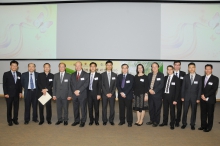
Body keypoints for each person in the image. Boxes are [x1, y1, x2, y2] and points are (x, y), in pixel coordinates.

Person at [198, 64, 219, 132]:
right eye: (206, 69)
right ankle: (203, 125)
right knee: (203, 113)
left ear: (212, 70)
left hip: (210, 99)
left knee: (210, 114)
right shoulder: (202, 78)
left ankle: (209, 127)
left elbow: (214, 89)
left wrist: (205, 96)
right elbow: (200, 88)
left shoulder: (215, 78)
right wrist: (202, 95)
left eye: (209, 69)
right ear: (204, 70)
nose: (207, 70)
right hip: (202, 98)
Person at [181, 62, 202, 130]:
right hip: (186, 97)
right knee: (185, 111)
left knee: (194, 111)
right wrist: (182, 96)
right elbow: (183, 87)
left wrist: (198, 98)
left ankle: (192, 124)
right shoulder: (186, 77)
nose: (191, 69)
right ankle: (184, 123)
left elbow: (200, 89)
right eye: (190, 67)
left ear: (195, 68)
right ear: (188, 69)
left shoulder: (199, 77)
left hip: (195, 98)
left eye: (193, 67)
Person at [159, 65, 180, 130]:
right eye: (168, 69)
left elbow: (178, 90)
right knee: (165, 110)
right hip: (165, 96)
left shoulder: (176, 79)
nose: (169, 71)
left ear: (173, 70)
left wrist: (175, 99)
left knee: (172, 111)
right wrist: (162, 97)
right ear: (167, 70)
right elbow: (163, 88)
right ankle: (165, 122)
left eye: (171, 69)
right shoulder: (165, 78)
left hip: (172, 97)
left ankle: (172, 123)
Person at [3, 60, 22, 126]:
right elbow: (4, 85)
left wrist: (20, 92)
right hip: (9, 94)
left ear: (17, 67)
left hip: (16, 94)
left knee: (16, 107)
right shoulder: (6, 74)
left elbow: (20, 84)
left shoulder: (19, 74)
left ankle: (15, 119)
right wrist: (5, 93)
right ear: (10, 66)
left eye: (15, 66)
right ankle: (9, 120)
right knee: (9, 107)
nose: (14, 67)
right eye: (13, 65)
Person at [71, 61, 89, 127]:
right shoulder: (72, 74)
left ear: (81, 66)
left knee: (83, 108)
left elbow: (86, 84)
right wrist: (75, 91)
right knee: (75, 108)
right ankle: (76, 120)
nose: (77, 67)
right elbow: (71, 84)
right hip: (74, 94)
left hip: (82, 94)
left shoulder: (86, 74)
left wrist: (79, 91)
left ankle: (83, 121)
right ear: (75, 67)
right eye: (76, 66)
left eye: (79, 65)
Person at [146, 62, 164, 127]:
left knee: (157, 109)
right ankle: (151, 120)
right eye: (153, 67)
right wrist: (149, 90)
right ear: (151, 68)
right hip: (150, 95)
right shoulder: (149, 74)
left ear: (158, 67)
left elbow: (161, 85)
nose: (154, 68)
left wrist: (154, 91)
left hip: (157, 95)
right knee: (151, 108)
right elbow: (147, 84)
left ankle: (156, 121)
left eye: (155, 66)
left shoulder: (161, 75)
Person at [101, 60, 117, 126]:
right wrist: (106, 93)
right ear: (106, 66)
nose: (109, 66)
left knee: (112, 108)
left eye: (110, 65)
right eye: (108, 65)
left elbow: (115, 85)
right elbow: (102, 85)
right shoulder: (102, 75)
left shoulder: (115, 75)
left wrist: (111, 93)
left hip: (112, 95)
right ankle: (104, 120)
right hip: (104, 94)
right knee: (104, 108)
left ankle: (111, 120)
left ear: (112, 66)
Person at [173, 60, 186, 127]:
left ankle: (177, 121)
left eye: (178, 65)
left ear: (180, 66)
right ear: (174, 65)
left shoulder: (183, 74)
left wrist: (183, 95)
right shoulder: (170, 73)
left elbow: (184, 85)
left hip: (180, 95)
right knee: (172, 108)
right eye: (176, 64)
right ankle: (172, 120)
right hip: (172, 95)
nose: (177, 66)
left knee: (179, 108)